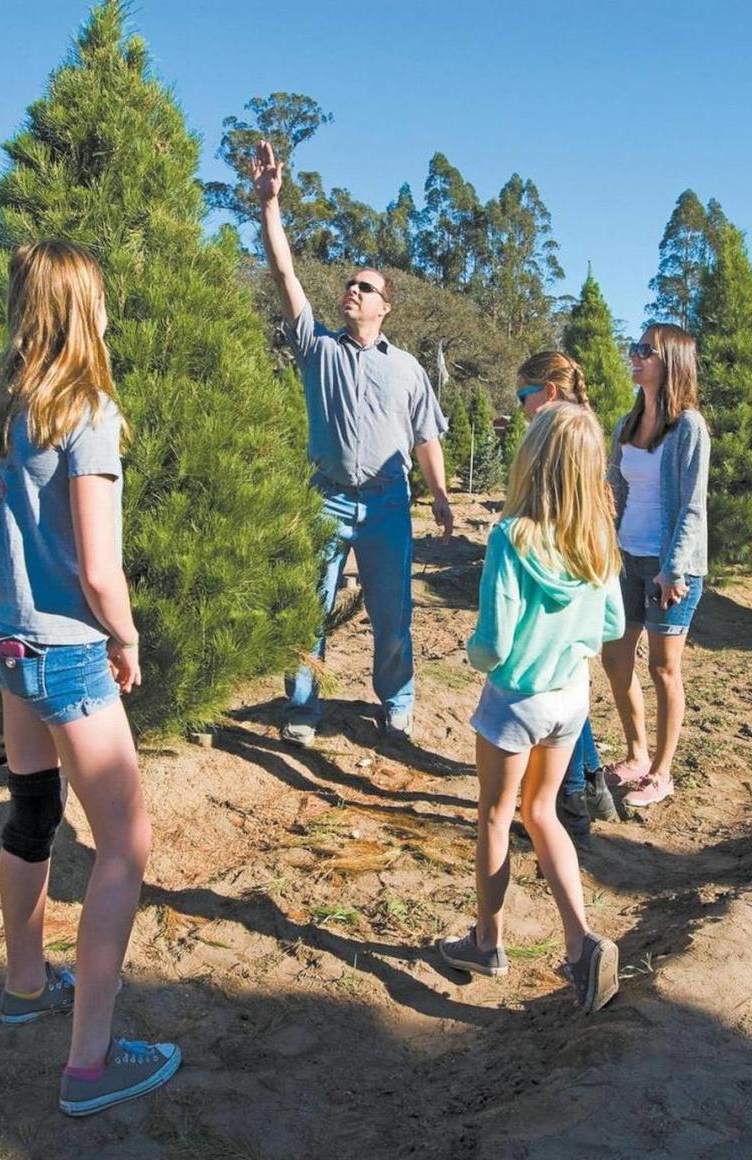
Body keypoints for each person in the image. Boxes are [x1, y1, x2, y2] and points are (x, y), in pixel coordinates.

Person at [0, 240, 181, 1116]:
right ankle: (91, 1066)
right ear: (77, 307)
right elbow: (101, 570)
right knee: (125, 851)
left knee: (32, 812)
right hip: (66, 650)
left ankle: (26, 986)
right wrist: (125, 639)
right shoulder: (84, 410)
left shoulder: (0, 405)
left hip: (6, 638)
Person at [251, 140, 453, 748]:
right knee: (307, 611)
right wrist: (270, 207)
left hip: (389, 503)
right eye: (348, 284)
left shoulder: (409, 369)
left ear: (385, 306)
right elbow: (285, 273)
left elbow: (425, 436)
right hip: (327, 499)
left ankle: (397, 702)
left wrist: (441, 495)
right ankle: (302, 708)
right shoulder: (319, 349)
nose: (352, 291)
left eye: (365, 287)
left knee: (392, 615)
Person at [439, 403, 623, 1013]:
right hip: (571, 696)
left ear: (533, 461)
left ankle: (487, 942)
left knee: (495, 818)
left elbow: (493, 643)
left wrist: (476, 656)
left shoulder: (512, 538)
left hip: (516, 700)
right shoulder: (600, 536)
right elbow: (615, 623)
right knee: (542, 812)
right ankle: (580, 943)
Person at [601, 324, 710, 807]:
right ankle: (636, 754)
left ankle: (662, 774)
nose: (635, 356)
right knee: (615, 659)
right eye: (635, 348)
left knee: (664, 669)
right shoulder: (628, 421)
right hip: (627, 559)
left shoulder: (689, 426)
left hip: (671, 567)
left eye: (647, 351)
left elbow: (692, 506)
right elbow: (614, 490)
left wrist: (674, 569)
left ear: (672, 363)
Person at [515, 352, 618, 839]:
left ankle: (570, 805)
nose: (520, 409)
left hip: (560, 583)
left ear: (548, 394)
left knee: (556, 691)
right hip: (587, 590)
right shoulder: (586, 430)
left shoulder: (559, 439)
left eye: (523, 396)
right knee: (571, 692)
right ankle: (595, 786)